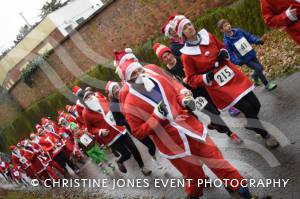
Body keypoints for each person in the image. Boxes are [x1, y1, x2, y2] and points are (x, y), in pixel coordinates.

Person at [118, 58, 262, 199]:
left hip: (192, 128)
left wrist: (184, 97)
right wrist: (156, 116)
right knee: (195, 177)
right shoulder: (130, 103)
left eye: (139, 70)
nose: (139, 75)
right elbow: (138, 132)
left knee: (218, 162)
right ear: (128, 81)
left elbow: (176, 90)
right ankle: (193, 195)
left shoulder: (158, 79)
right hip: (172, 144)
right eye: (134, 74)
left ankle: (245, 192)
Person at [177, 16, 279, 148]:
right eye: (185, 28)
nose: (189, 28)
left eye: (189, 24)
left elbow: (222, 48)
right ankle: (266, 135)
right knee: (247, 108)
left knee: (255, 105)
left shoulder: (207, 35)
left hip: (231, 75)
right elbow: (191, 79)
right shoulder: (186, 55)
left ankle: (252, 124)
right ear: (182, 34)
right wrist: (205, 77)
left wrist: (223, 53)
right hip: (218, 86)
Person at [152, 42, 242, 144]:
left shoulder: (183, 59)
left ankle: (214, 124)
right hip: (191, 96)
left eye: (168, 54)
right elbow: (173, 88)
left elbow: (196, 67)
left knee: (216, 111)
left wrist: (191, 77)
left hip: (200, 87)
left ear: (171, 52)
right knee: (213, 113)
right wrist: (183, 89)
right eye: (164, 57)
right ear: (162, 60)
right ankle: (230, 133)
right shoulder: (167, 73)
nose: (168, 57)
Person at [82, 89, 152, 176]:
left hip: (119, 129)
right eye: (86, 98)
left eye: (90, 95)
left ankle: (142, 167)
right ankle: (119, 160)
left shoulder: (101, 100)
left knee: (133, 148)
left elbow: (112, 110)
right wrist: (99, 131)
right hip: (109, 136)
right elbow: (90, 129)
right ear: (84, 102)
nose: (90, 98)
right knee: (127, 154)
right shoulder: (85, 113)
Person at [105, 81, 163, 167]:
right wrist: (130, 119)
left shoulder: (125, 94)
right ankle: (154, 158)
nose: (117, 90)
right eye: (114, 89)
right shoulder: (113, 105)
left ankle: (167, 154)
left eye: (117, 87)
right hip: (134, 128)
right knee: (151, 145)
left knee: (159, 137)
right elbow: (118, 122)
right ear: (111, 94)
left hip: (143, 121)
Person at [217, 19, 277, 90]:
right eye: (225, 26)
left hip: (251, 53)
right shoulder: (226, 42)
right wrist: (237, 61)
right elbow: (230, 54)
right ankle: (267, 84)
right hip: (244, 59)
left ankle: (254, 76)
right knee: (257, 68)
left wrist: (257, 41)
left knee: (260, 67)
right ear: (222, 30)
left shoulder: (238, 31)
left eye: (228, 24)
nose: (228, 26)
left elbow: (249, 36)